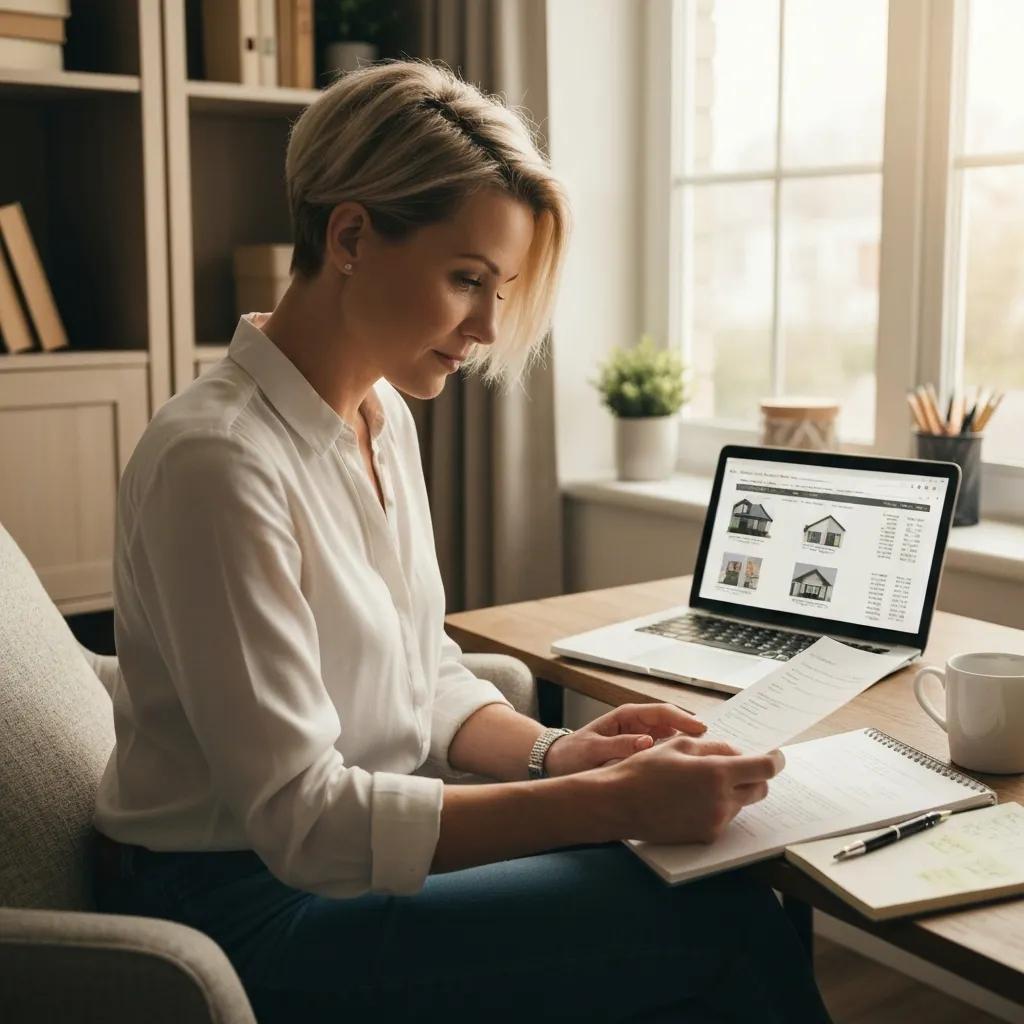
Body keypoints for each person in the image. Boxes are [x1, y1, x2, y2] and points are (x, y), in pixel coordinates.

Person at [91, 58, 833, 1023]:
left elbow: (423, 670)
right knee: (717, 920)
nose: (488, 326)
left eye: (502, 287)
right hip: (244, 910)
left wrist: (559, 757)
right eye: (467, 280)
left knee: (704, 882)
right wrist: (611, 804)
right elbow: (303, 822)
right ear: (351, 234)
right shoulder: (218, 462)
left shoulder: (380, 417)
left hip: (335, 868)